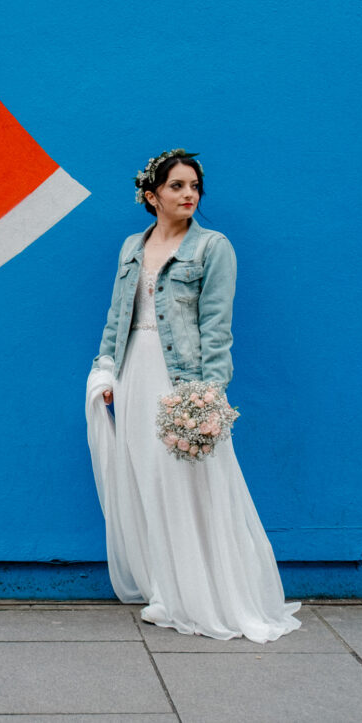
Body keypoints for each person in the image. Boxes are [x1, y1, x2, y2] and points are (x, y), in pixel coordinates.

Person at [85, 148, 301, 643]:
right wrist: (105, 371)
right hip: (135, 371)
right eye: (177, 186)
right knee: (147, 480)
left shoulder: (212, 248)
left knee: (188, 482)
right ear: (151, 194)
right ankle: (167, 589)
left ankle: (210, 595)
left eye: (194, 186)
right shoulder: (130, 248)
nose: (189, 195)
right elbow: (118, 317)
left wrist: (207, 395)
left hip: (181, 380)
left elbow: (217, 328)